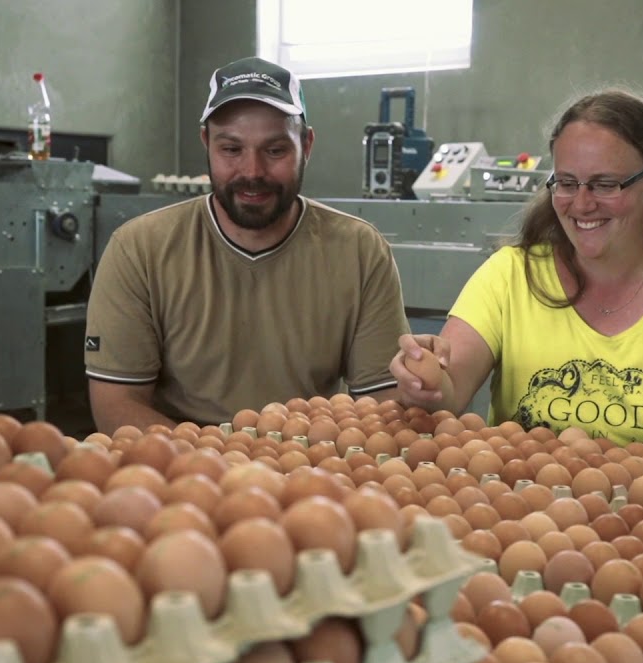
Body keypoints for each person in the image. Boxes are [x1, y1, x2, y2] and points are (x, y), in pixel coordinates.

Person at [389, 89, 643, 459]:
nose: (583, 204)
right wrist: (424, 377)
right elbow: (448, 393)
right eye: (567, 183)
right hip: (522, 518)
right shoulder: (510, 277)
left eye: (606, 184)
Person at [84, 57, 410, 432]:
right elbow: (116, 405)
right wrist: (221, 469)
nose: (252, 172)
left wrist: (421, 387)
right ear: (206, 142)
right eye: (231, 150)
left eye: (275, 151)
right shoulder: (139, 250)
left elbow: (381, 405)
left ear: (306, 145)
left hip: (310, 466)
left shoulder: (358, 250)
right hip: (178, 468)